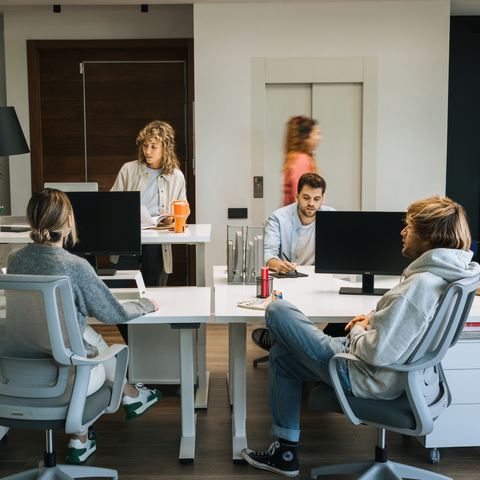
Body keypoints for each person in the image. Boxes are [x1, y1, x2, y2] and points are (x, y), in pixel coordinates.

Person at [242, 195, 480, 477]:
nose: (402, 232)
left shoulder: (420, 285)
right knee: (281, 358)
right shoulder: (450, 275)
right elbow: (404, 327)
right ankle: (285, 453)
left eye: (410, 227)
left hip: (368, 375)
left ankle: (283, 336)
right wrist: (374, 319)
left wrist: (358, 328)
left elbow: (377, 352)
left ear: (429, 239)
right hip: (400, 373)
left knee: (278, 309)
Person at [7, 188, 163, 465]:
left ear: (32, 222)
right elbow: (111, 312)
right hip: (65, 377)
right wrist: (145, 304)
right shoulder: (76, 266)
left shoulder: (14, 259)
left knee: (83, 333)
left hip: (19, 373)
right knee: (92, 351)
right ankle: (124, 399)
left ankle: (91, 430)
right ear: (69, 221)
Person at [110, 120, 187, 342]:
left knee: (154, 296)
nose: (148, 151)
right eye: (145, 145)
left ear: (165, 148)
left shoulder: (177, 176)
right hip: (128, 238)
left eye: (154, 146)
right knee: (113, 294)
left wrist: (173, 218)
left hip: (159, 241)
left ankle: (149, 348)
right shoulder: (129, 169)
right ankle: (133, 342)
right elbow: (114, 203)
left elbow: (181, 208)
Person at [252, 173, 335, 351]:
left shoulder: (333, 218)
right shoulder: (279, 218)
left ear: (322, 199)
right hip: (289, 282)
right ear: (296, 196)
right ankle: (300, 347)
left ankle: (294, 345)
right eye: (306, 198)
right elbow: (268, 254)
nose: (311, 203)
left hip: (321, 282)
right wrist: (277, 263)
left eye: (316, 199)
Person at [282, 116, 322, 206]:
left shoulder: (295, 158)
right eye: (316, 134)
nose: (320, 138)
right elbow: (301, 200)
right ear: (306, 137)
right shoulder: (302, 160)